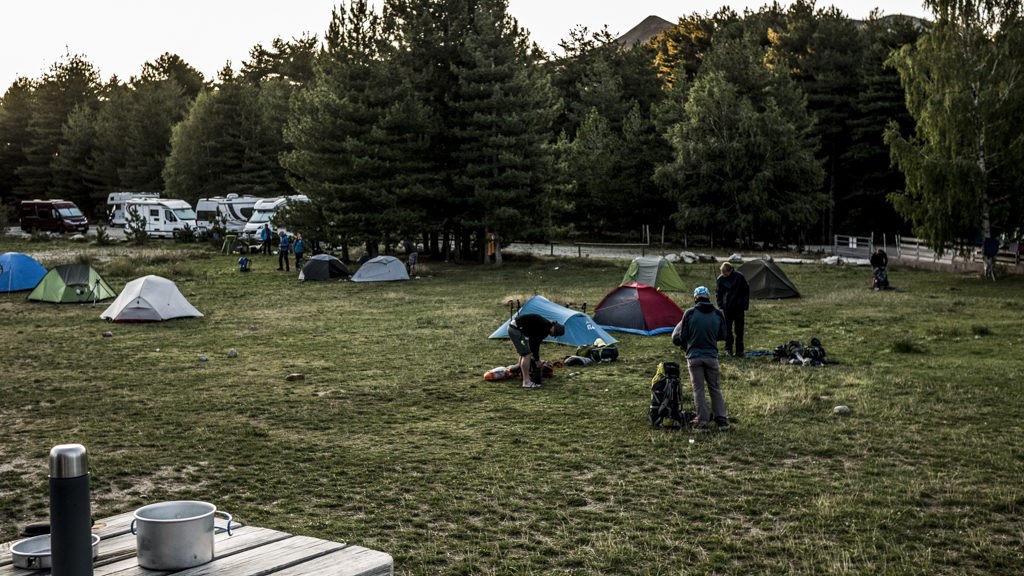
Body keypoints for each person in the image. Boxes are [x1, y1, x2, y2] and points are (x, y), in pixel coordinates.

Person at [672, 286, 729, 432]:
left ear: (696, 298)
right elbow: (723, 335)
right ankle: (722, 420)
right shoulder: (718, 313)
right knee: (715, 388)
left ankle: (703, 422)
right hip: (711, 356)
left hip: (694, 357)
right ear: (708, 297)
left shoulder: (689, 313)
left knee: (699, 390)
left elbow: (682, 336)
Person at [507, 313, 565, 389]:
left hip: (514, 328)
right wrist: (537, 360)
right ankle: (526, 382)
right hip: (515, 330)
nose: (552, 335)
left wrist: (536, 358)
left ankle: (523, 376)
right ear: (554, 328)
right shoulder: (544, 328)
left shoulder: (545, 325)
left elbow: (533, 342)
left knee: (524, 353)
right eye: (554, 333)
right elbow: (534, 344)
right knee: (527, 354)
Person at [715, 262, 750, 357]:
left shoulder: (739, 277)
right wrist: (720, 306)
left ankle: (739, 350)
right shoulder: (720, 279)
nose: (723, 274)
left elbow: (745, 291)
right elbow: (718, 294)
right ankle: (728, 349)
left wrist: (745, 305)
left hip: (738, 307)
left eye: (724, 272)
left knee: (739, 330)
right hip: (727, 309)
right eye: (722, 272)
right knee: (727, 330)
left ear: (730, 270)